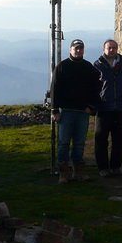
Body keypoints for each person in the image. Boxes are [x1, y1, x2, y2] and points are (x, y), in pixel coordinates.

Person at [49, 38, 101, 184]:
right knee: (63, 143)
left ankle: (78, 172)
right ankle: (63, 173)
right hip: (65, 111)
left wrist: (92, 106)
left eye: (80, 48)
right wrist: (54, 110)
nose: (78, 50)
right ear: (70, 50)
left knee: (79, 143)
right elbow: (54, 89)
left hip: (83, 112)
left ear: (83, 50)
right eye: (75, 48)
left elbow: (96, 87)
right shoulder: (62, 66)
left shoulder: (88, 67)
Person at [93, 39, 122, 178]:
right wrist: (93, 104)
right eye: (109, 48)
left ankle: (115, 167)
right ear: (104, 49)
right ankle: (103, 167)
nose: (112, 50)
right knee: (101, 139)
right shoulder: (97, 65)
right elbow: (92, 87)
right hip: (103, 108)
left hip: (120, 108)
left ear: (117, 49)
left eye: (114, 47)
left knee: (119, 139)